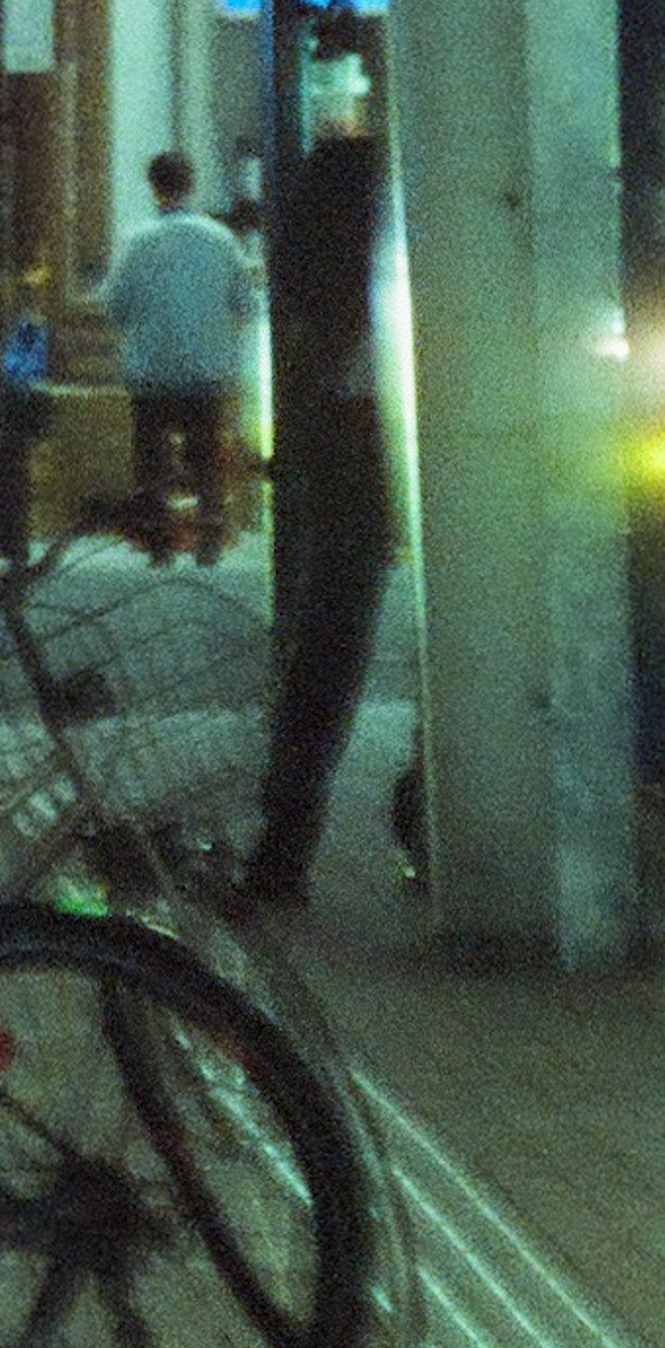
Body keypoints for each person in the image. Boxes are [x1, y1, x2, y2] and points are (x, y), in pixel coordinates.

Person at [235, 119, 399, 914]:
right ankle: (293, 842)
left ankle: (284, 841)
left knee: (320, 664)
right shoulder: (389, 274)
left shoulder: (310, 278)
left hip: (332, 481)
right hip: (368, 477)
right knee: (331, 655)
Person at [101, 147, 252, 562]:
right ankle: (208, 540)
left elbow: (115, 306)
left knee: (151, 456)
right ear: (192, 184)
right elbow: (244, 303)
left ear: (154, 188)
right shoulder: (221, 241)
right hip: (207, 369)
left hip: (152, 370)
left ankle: (159, 543)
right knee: (205, 455)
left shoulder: (136, 242)